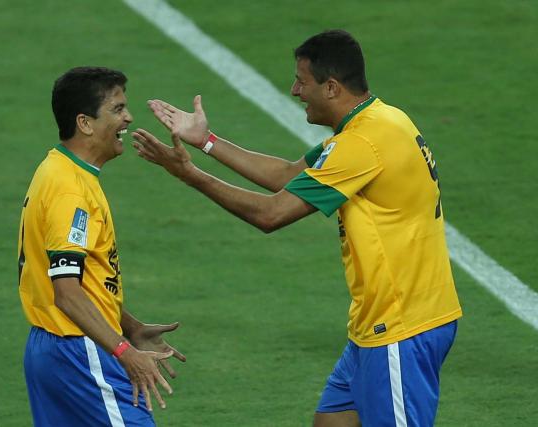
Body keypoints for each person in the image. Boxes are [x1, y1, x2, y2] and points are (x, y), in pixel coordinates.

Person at [132, 30, 462, 427]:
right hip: (379, 324)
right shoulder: (383, 120)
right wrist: (207, 142)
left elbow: (271, 214)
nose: (294, 90)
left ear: (332, 87)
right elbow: (288, 175)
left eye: (301, 81)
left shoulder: (363, 144)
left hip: (400, 328)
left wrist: (189, 174)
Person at [17, 66, 185, 427]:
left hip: (52, 347)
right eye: (117, 109)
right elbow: (66, 291)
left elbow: (77, 278)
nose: (128, 117)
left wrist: (128, 325)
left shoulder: (59, 170)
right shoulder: (70, 191)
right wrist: (125, 351)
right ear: (85, 123)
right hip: (80, 350)